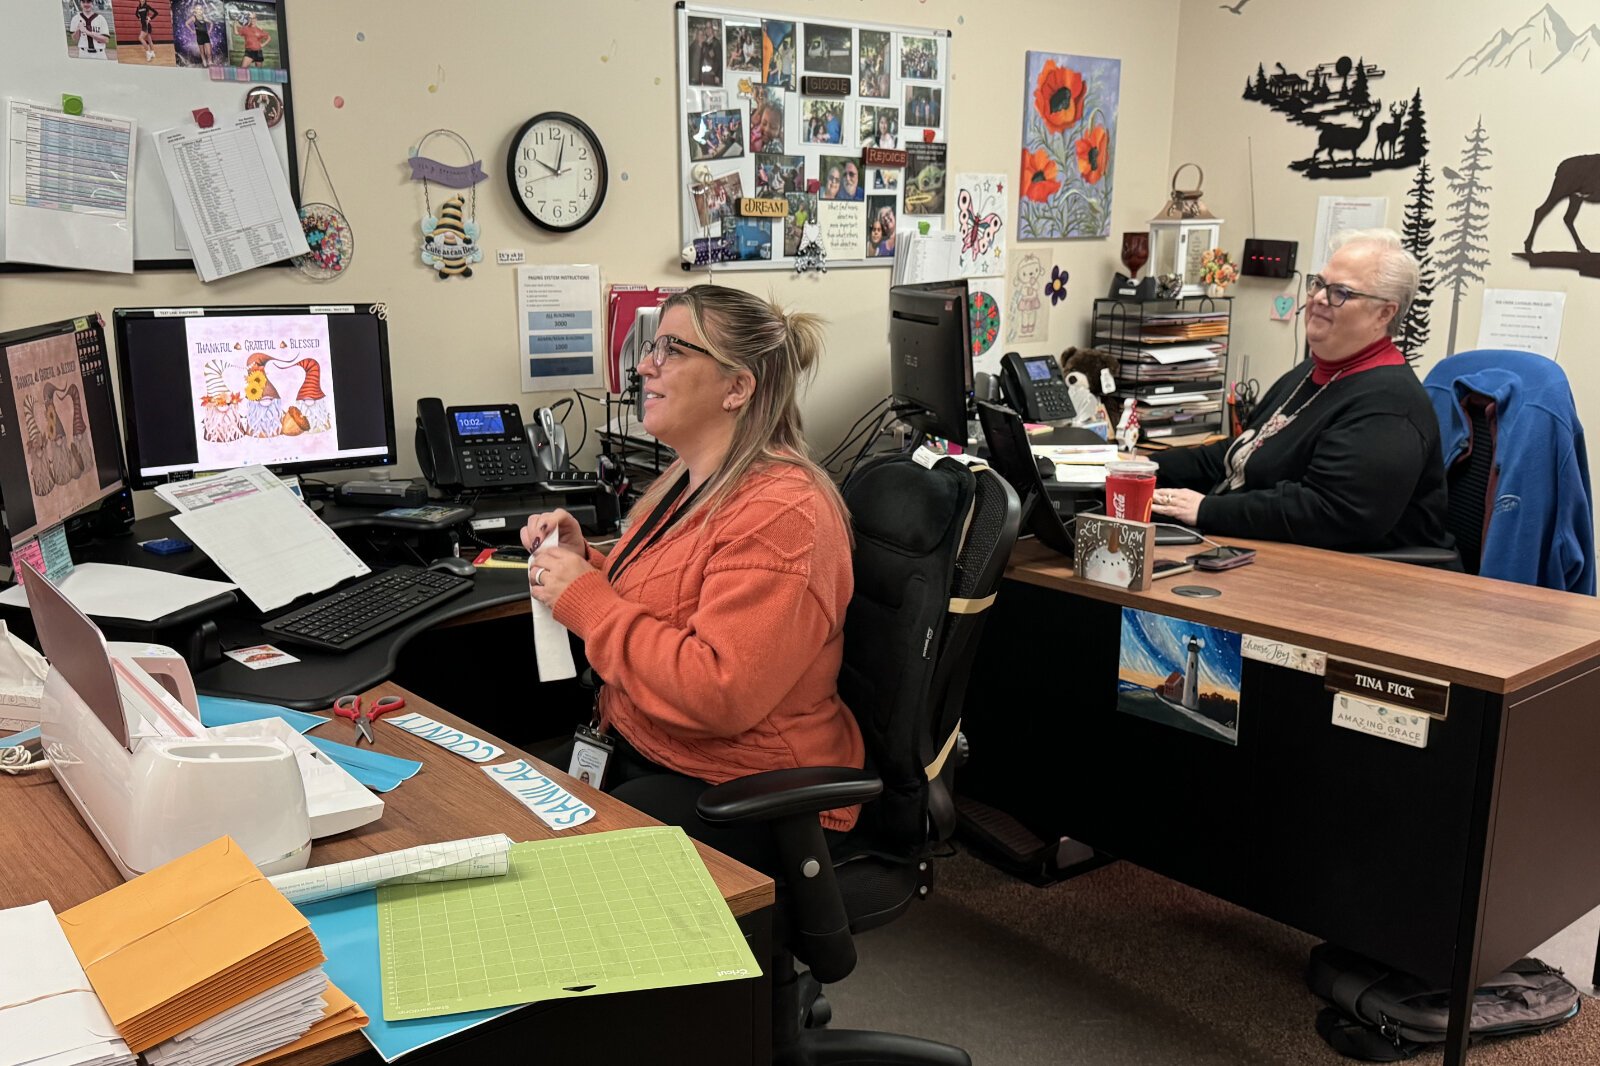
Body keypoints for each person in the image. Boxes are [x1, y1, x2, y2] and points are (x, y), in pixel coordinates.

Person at [520, 286, 863, 869]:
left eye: (672, 350)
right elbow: (674, 598)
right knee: (499, 811)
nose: (645, 365)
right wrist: (590, 564)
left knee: (552, 869)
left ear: (737, 387)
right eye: (652, 347)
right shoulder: (690, 476)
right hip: (653, 745)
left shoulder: (783, 512)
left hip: (747, 781)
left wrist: (585, 598)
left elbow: (719, 691)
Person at [1151, 229, 1452, 553]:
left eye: (1342, 293)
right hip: (1264, 547)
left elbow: (1329, 512)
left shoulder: (1390, 407)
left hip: (1354, 580)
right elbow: (1238, 455)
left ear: (1384, 313)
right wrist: (1137, 468)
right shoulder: (1310, 372)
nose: (1320, 298)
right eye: (1319, 284)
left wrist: (1205, 510)